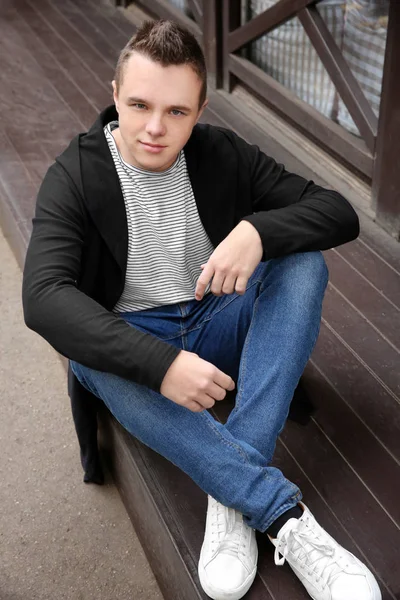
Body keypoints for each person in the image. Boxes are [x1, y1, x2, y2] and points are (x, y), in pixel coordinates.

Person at [22, 19, 381, 600]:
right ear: (115, 96)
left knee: (302, 264)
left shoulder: (221, 154)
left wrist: (258, 231)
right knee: (87, 352)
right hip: (134, 339)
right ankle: (281, 515)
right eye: (138, 105)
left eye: (177, 112)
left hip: (215, 319)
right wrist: (160, 365)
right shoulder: (77, 175)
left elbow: (339, 211)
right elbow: (42, 299)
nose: (155, 128)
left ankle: (228, 489)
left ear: (200, 109)